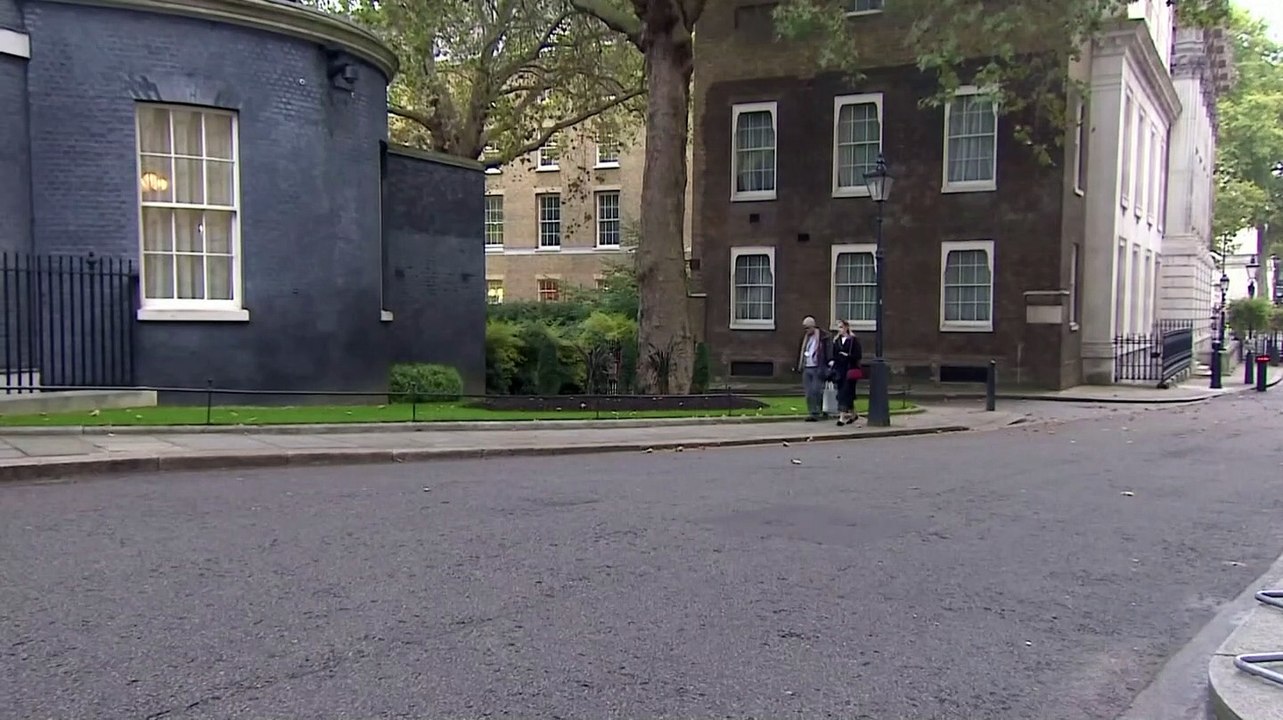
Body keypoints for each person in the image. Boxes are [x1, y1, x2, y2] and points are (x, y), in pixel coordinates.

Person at [795, 316, 829, 421]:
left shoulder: (823, 337)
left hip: (818, 367)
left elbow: (827, 351)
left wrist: (828, 363)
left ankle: (819, 411)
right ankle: (812, 412)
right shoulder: (805, 338)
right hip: (807, 367)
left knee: (816, 391)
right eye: (804, 328)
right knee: (809, 392)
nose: (806, 330)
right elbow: (801, 351)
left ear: (813, 326)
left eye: (808, 328)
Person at [830, 320, 863, 426]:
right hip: (840, 370)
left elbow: (858, 355)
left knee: (844, 393)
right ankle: (854, 414)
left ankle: (842, 418)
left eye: (841, 327)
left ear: (846, 328)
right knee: (845, 393)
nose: (839, 329)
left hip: (849, 370)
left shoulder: (853, 341)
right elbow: (834, 355)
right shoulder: (836, 341)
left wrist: (848, 356)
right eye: (838, 327)